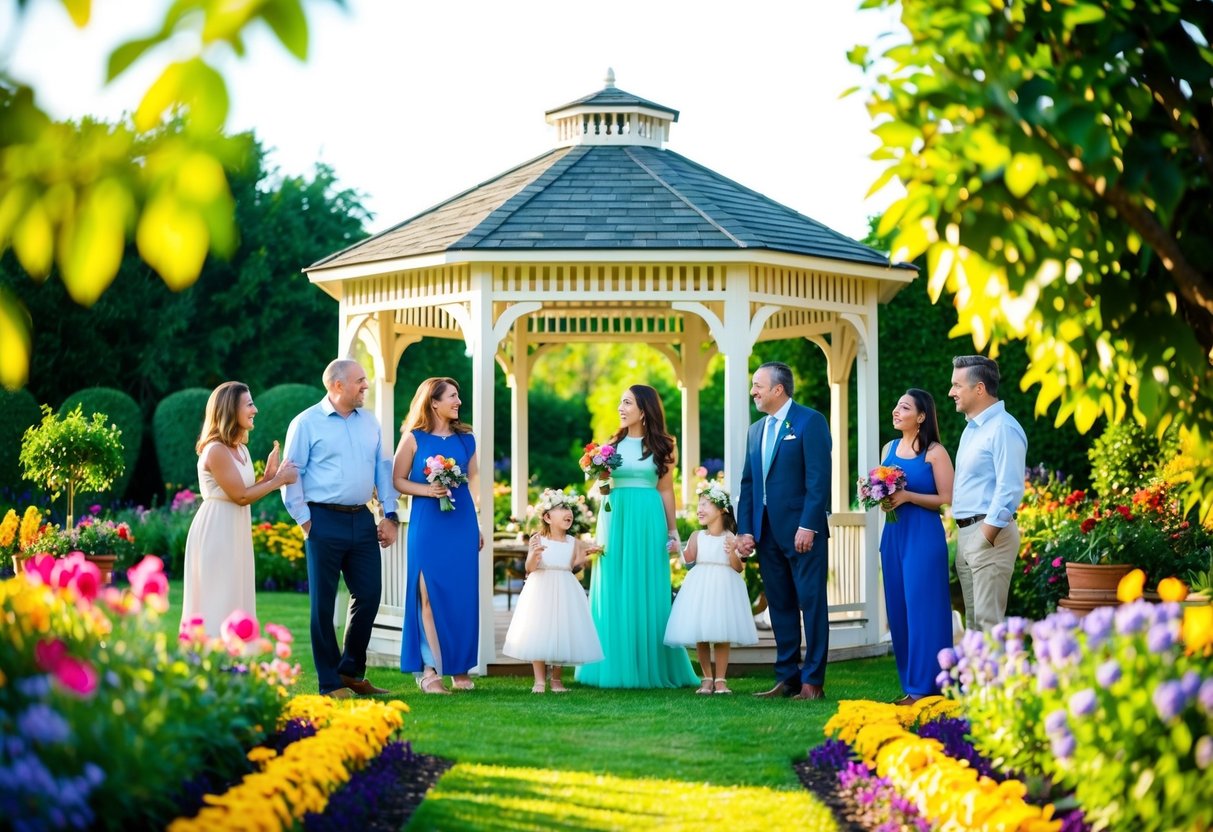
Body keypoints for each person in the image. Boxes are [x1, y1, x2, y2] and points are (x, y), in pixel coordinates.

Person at [282, 359, 399, 699]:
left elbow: (382, 468)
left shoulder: (370, 422)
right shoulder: (305, 423)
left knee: (369, 594)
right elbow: (291, 474)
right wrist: (305, 519)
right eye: (359, 381)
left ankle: (349, 670)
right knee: (322, 605)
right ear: (336, 385)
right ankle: (329, 682)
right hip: (322, 519)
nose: (365, 386)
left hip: (362, 519)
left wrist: (388, 514)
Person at [575, 385, 699, 689]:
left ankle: (651, 665)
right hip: (614, 517)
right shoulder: (611, 444)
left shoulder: (665, 445)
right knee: (613, 585)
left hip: (647, 518)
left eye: (627, 402)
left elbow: (666, 490)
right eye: (620, 401)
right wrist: (600, 479)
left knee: (647, 587)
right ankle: (612, 664)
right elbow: (602, 488)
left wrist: (673, 534)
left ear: (643, 410)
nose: (620, 407)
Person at [735, 361, 832, 701]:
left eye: (758, 385)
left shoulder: (810, 422)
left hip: (803, 533)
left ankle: (813, 682)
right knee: (780, 605)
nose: (753, 391)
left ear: (778, 389)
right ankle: (787, 677)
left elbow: (818, 479)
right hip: (766, 534)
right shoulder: (755, 430)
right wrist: (745, 529)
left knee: (812, 603)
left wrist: (809, 524)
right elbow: (748, 485)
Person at [180, 382, 298, 636]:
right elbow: (241, 496)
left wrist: (268, 478)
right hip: (216, 532)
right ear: (230, 410)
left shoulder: (240, 449)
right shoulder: (217, 450)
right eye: (249, 404)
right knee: (218, 595)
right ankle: (213, 658)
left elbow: (244, 491)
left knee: (234, 591)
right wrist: (279, 481)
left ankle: (234, 660)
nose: (255, 409)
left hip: (234, 529)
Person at [393, 377, 483, 694]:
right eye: (452, 397)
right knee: (428, 596)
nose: (458, 402)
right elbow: (397, 480)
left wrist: (479, 523)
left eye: (458, 396)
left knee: (461, 596)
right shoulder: (413, 438)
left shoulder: (466, 439)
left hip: (461, 523)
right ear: (434, 402)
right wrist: (428, 490)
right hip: (427, 523)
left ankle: (459, 667)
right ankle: (430, 670)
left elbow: (476, 484)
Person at [879, 389, 955, 705]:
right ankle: (911, 684)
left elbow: (949, 499)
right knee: (898, 610)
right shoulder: (888, 448)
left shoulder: (935, 452)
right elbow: (884, 490)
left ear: (921, 416)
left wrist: (909, 497)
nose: (896, 411)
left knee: (924, 610)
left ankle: (928, 685)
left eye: (905, 407)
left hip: (924, 537)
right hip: (893, 535)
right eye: (896, 405)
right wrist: (882, 500)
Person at [948, 355, 1027, 632]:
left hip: (988, 534)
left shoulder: (1003, 428)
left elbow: (1010, 488)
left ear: (979, 388)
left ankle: (999, 676)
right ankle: (976, 677)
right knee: (974, 624)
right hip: (969, 532)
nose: (951, 392)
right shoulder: (972, 430)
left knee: (988, 624)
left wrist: (985, 537)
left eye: (957, 385)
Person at [503, 489, 604, 694]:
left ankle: (556, 679)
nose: (568, 512)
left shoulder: (573, 541)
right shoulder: (538, 539)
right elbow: (530, 568)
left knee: (562, 630)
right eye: (562, 509)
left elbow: (573, 565)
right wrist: (535, 554)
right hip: (541, 588)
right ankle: (539, 680)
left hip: (566, 587)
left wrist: (586, 554)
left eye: (570, 509)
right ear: (548, 517)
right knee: (539, 630)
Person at [664, 482, 758, 695]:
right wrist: (678, 548)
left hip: (724, 589)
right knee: (702, 633)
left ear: (721, 510)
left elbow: (738, 568)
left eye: (705, 504)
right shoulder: (698, 536)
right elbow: (688, 559)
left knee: (722, 633)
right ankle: (707, 678)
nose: (700, 509)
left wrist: (733, 551)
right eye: (699, 505)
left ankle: (721, 679)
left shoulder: (731, 538)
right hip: (700, 587)